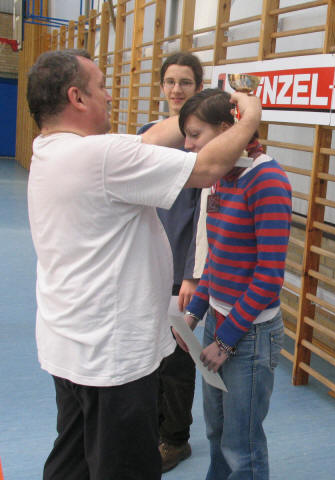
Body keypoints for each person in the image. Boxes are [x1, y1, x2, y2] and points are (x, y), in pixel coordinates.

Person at [26, 49, 261, 480]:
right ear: (77, 97)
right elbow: (209, 166)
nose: (109, 95)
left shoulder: (52, 148)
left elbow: (150, 139)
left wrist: (208, 106)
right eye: (100, 87)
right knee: (126, 468)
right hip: (111, 358)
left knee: (72, 460)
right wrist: (249, 119)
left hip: (70, 346)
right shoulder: (99, 158)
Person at [175, 89, 291, 480]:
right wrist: (194, 313)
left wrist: (225, 341)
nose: (188, 145)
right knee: (216, 432)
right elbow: (218, 258)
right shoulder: (219, 178)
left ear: (228, 130)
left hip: (251, 335)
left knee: (242, 445)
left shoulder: (267, 181)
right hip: (219, 323)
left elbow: (269, 278)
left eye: (195, 135)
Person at [137, 51, 203, 472]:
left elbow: (204, 215)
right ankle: (154, 430)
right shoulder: (147, 136)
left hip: (181, 273)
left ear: (199, 88)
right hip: (146, 266)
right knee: (147, 353)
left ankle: (176, 439)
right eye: (171, 82)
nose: (177, 89)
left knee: (177, 358)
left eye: (186, 82)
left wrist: (192, 275)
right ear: (162, 86)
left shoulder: (204, 143)